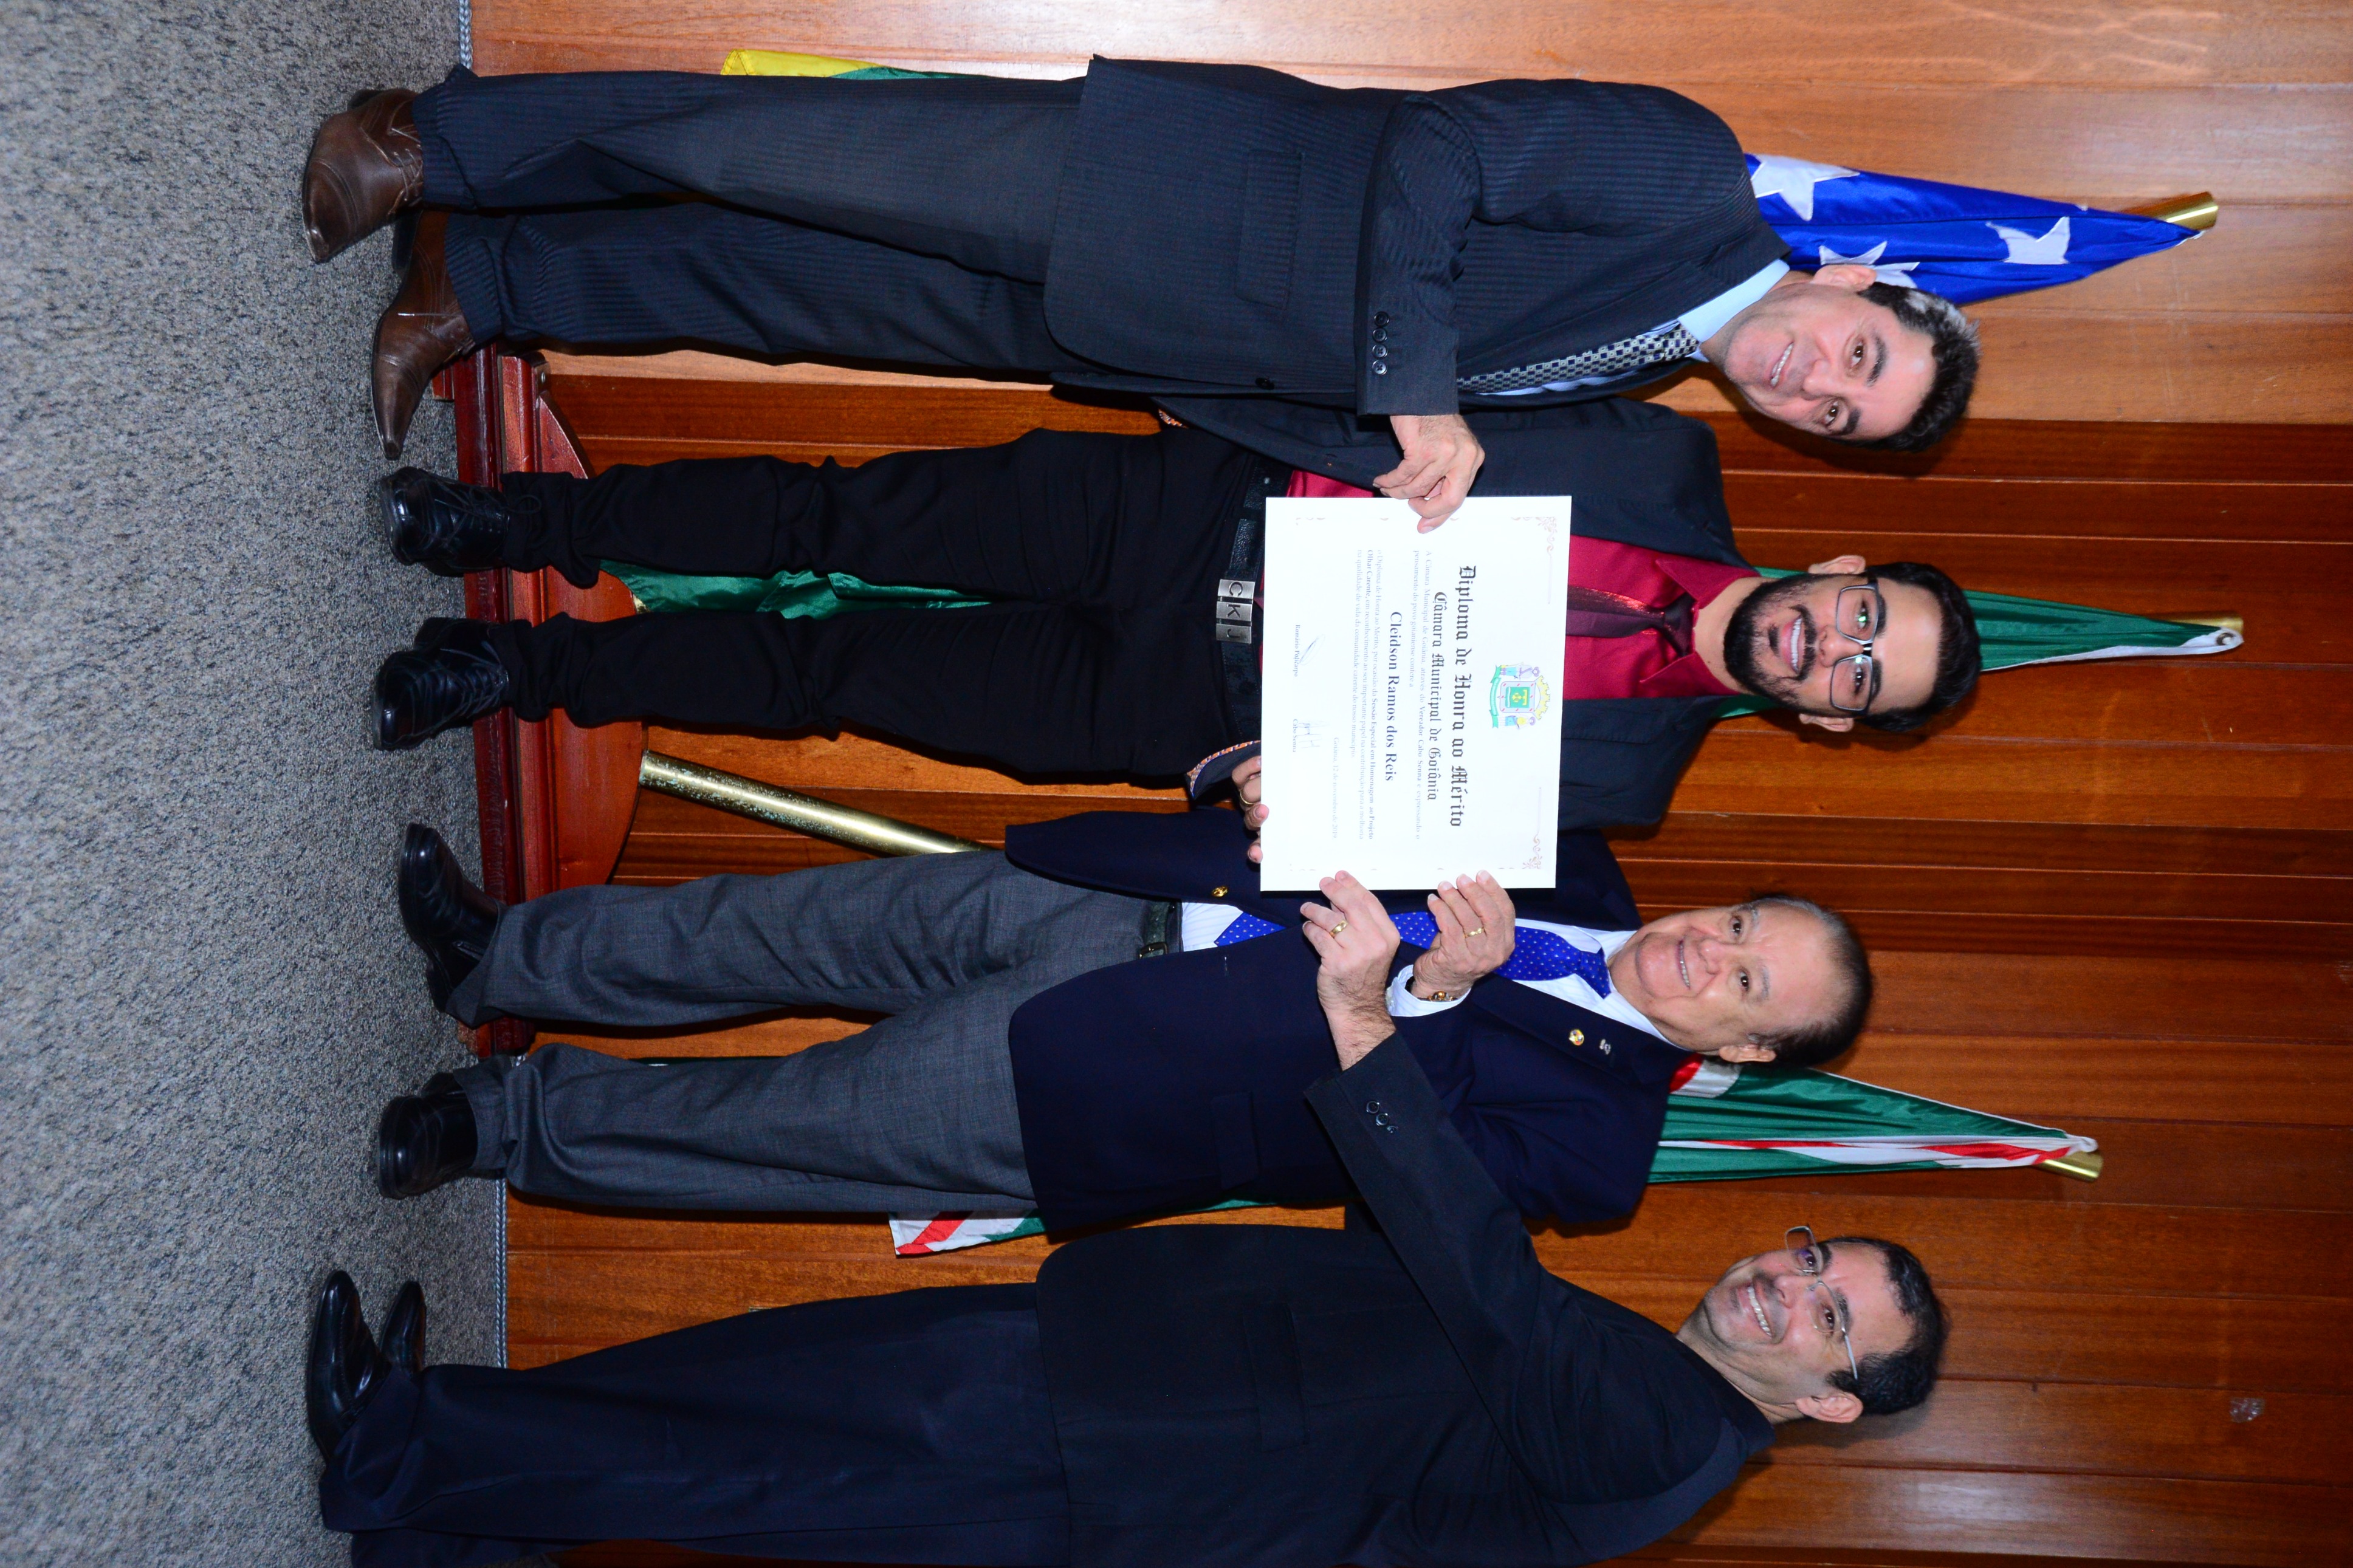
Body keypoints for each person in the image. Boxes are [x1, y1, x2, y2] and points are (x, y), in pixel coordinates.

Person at [311, 861, 1947, 1568]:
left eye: (1827, 1318)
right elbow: (1421, 1285)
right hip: (1132, 1374)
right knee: (750, 1398)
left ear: (1827, 1401)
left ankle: (401, 1450)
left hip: (1124, 1451)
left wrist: (1382, 1019)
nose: (1785, 1282)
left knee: (751, 1453)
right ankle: (459, 1491)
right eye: (1817, 1257)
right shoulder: (1657, 1389)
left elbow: (1478, 1277)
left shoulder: (1667, 1435)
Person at [303, 63, 1980, 513]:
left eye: (1839, 415)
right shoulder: (1692, 175)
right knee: (769, 149)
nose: (1814, 384)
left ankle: (489, 280)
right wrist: (1419, 389)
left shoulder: (1641, 368)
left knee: (784, 294)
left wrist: (1236, 418)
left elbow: (1390, 400)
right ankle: (435, 142)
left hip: (1142, 337)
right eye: (1857, 353)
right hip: (1166, 186)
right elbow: (1448, 153)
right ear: (1853, 279)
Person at [366, 408, 1982, 832]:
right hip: (1194, 510)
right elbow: (1454, 372)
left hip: (1168, 705)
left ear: (1825, 717)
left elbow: (1407, 842)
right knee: (834, 520)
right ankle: (520, 524)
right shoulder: (1665, 455)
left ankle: (515, 671)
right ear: (1843, 566)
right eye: (1864, 614)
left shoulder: (1631, 786)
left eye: (1859, 675)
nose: (1832, 644)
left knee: (830, 674)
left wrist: (1309, 815)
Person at [376, 792, 1872, 1230]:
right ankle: (501, 957)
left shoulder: (1599, 1151)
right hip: (1117, 893)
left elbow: (1410, 1179)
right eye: (1741, 922)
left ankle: (498, 1126)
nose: (1707, 949)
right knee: (777, 923)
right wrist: (1260, 770)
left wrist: (1424, 993)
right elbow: (1361, 774)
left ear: (1747, 1050)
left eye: (1745, 981)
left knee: (778, 1125)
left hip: (1111, 1085)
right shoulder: (1580, 854)